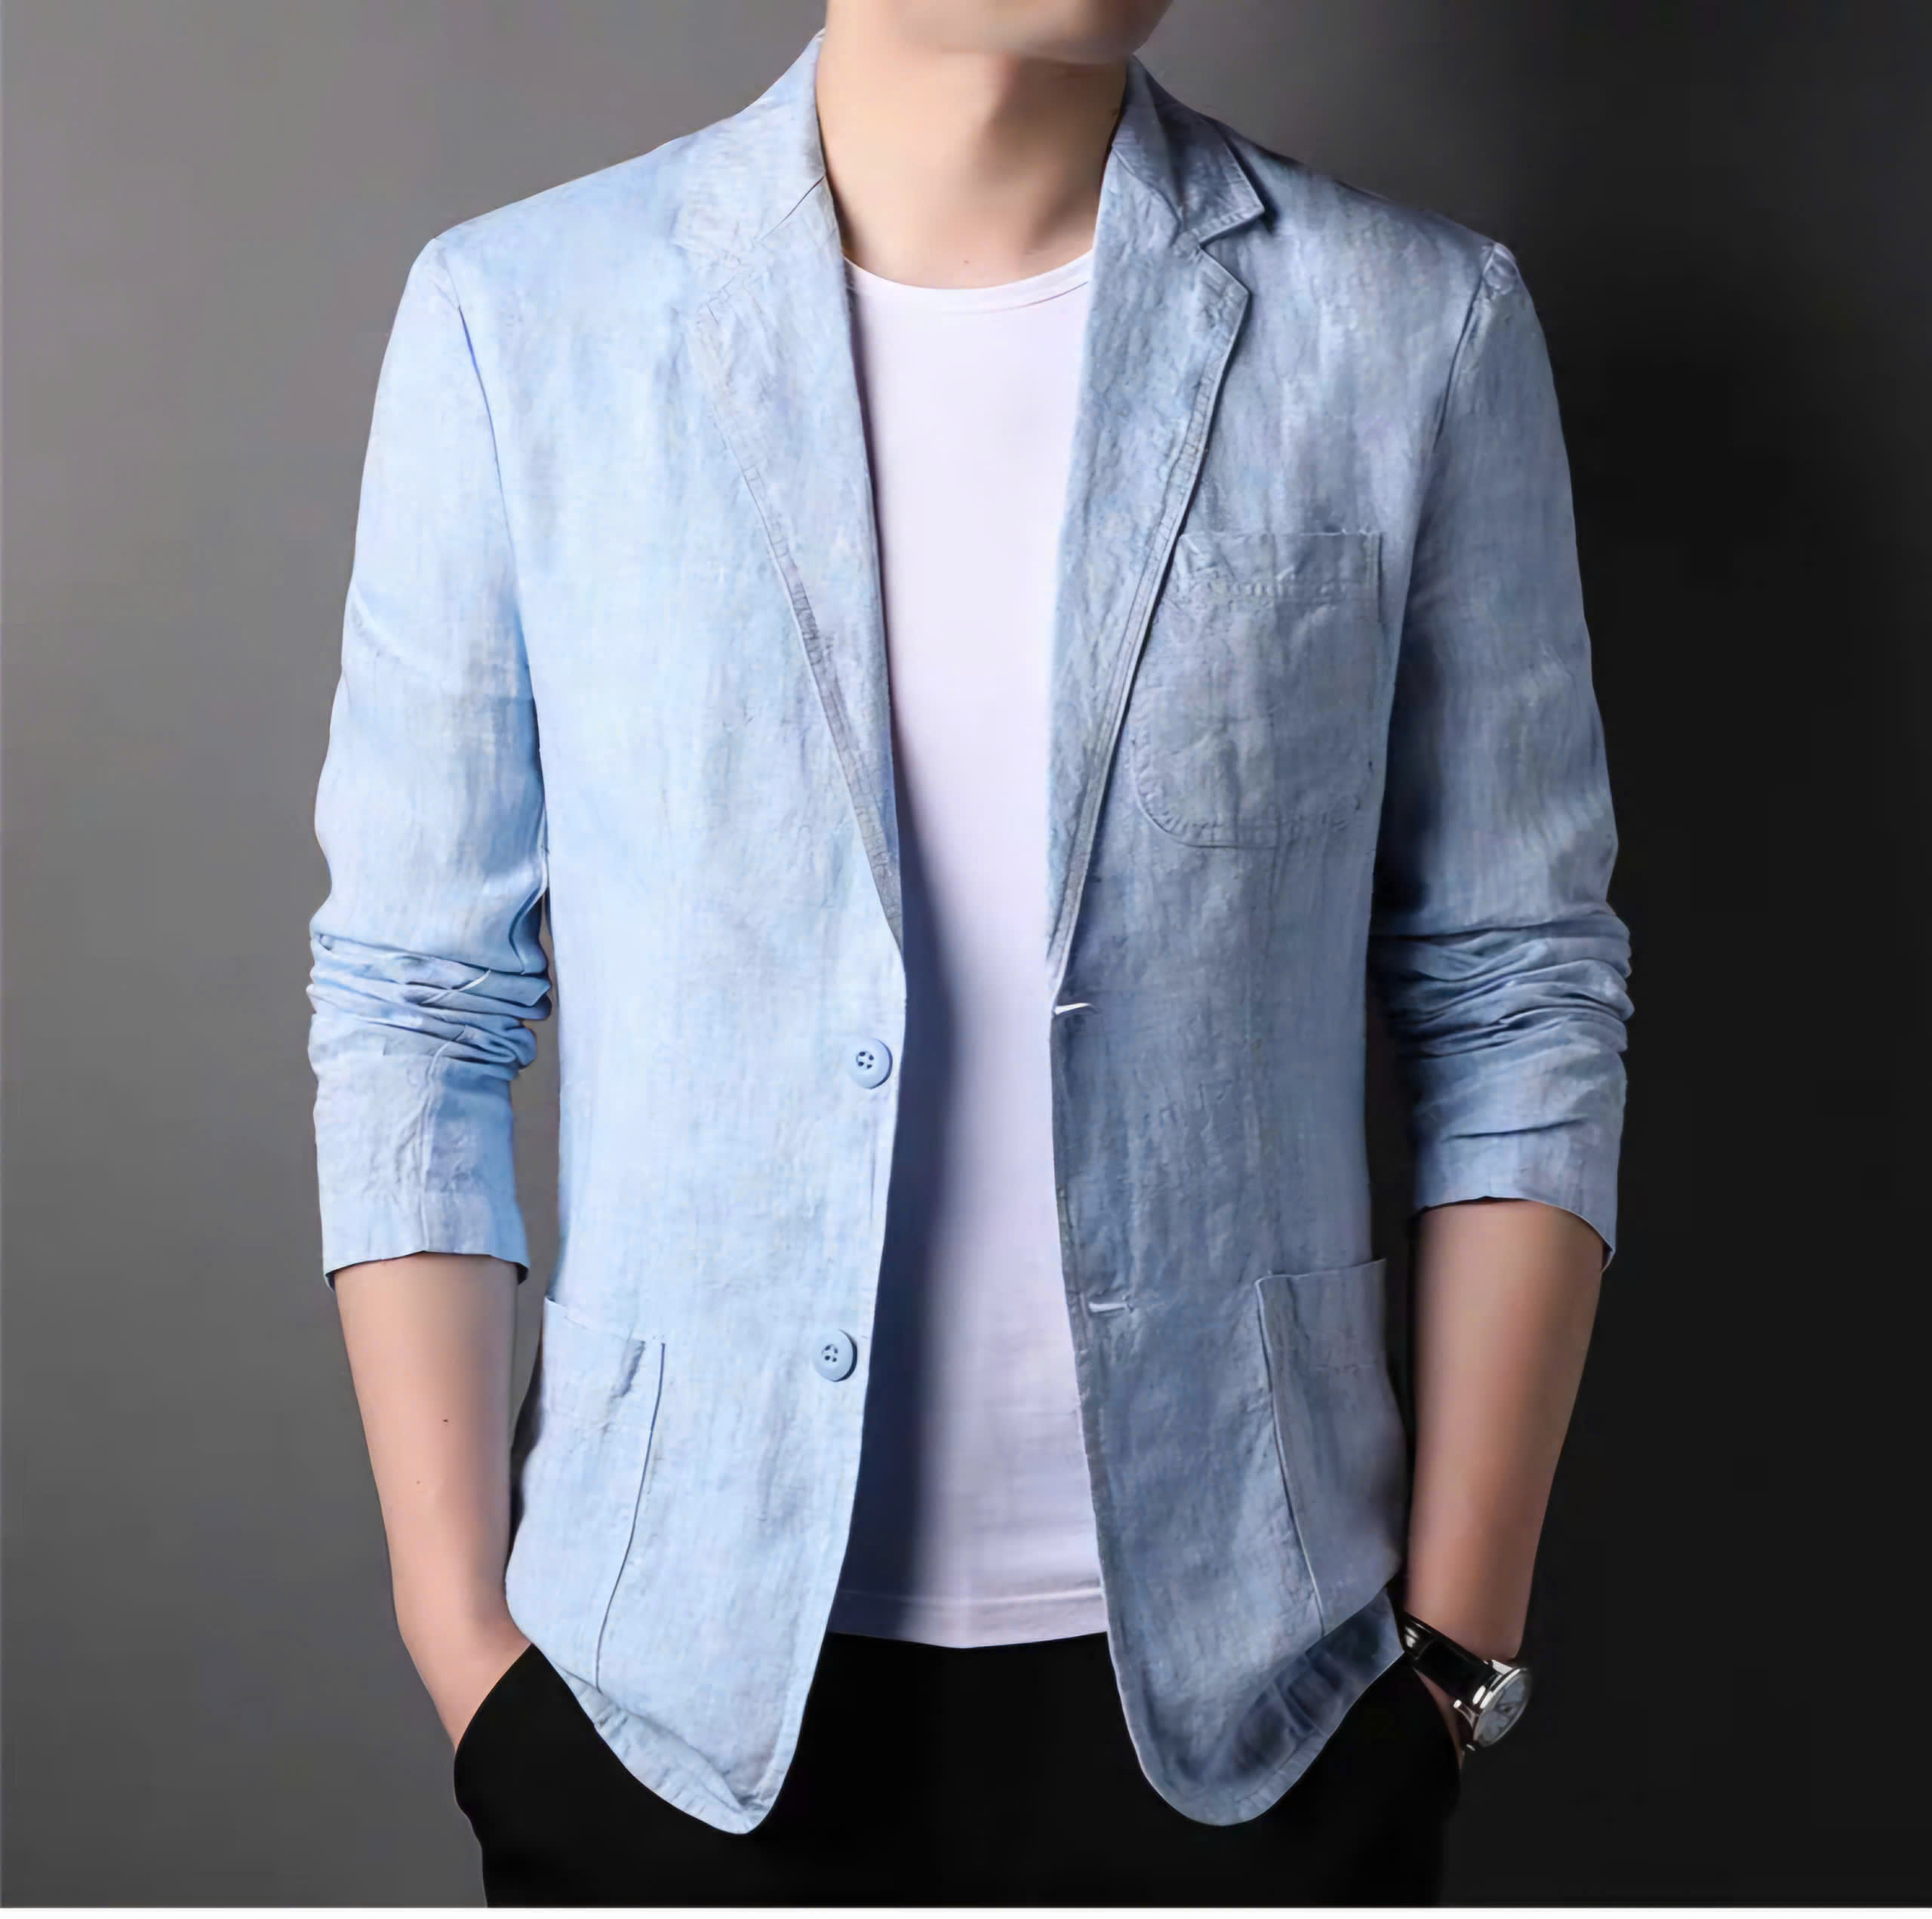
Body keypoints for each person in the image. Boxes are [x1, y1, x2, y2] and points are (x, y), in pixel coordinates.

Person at [309, 1, 1632, 1905]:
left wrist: (1450, 1657)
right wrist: (467, 1653)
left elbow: (1512, 990)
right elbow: (416, 1002)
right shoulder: (523, 321)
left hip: (1267, 1705)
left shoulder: (1407, 328)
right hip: (654, 1697)